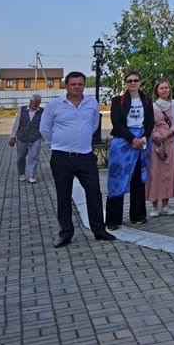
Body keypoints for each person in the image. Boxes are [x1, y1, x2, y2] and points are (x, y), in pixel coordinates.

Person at [40, 72, 115, 247]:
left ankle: (99, 230)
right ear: (66, 86)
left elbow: (94, 124)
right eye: (73, 84)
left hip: (86, 156)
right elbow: (44, 128)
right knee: (63, 196)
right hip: (62, 157)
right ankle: (66, 233)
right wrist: (58, 143)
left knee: (94, 193)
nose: (76, 87)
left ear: (84, 86)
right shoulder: (55, 105)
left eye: (80, 84)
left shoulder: (91, 103)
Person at [105, 70, 154, 230]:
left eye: (136, 80)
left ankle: (138, 215)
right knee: (117, 179)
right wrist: (132, 139)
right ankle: (113, 220)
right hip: (124, 142)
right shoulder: (118, 100)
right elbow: (117, 124)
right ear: (125, 83)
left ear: (140, 82)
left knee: (138, 179)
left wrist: (143, 139)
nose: (133, 83)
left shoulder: (146, 100)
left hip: (142, 142)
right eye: (130, 80)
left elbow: (150, 123)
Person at [147, 79, 174, 217]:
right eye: (162, 88)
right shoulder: (152, 107)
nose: (165, 90)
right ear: (156, 90)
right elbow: (149, 124)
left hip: (171, 142)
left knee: (168, 174)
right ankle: (154, 206)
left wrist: (167, 134)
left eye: (167, 88)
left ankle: (166, 205)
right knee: (155, 175)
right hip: (156, 144)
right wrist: (157, 137)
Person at [8, 94, 43, 183]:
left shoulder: (42, 111)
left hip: (36, 138)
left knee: (33, 157)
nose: (37, 105)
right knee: (21, 157)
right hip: (22, 137)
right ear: (30, 102)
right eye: (35, 103)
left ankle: (31, 176)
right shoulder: (22, 109)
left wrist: (45, 136)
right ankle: (22, 174)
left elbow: (45, 125)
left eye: (39, 103)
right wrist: (13, 137)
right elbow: (17, 124)